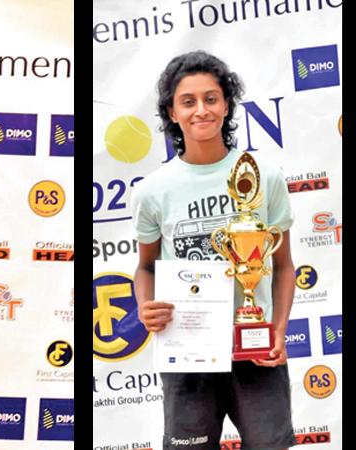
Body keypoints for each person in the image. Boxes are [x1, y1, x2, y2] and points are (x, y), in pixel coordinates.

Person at [131, 51, 297, 450]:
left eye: (212, 98)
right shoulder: (153, 190)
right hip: (188, 350)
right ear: (172, 112)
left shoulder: (264, 177)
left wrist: (277, 331)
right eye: (188, 101)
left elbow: (284, 265)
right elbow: (146, 268)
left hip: (256, 351)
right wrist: (145, 306)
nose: (201, 110)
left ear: (226, 105)